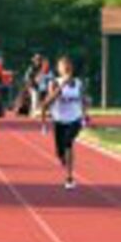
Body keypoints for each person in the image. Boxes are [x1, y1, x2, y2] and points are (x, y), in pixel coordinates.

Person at [41, 56, 89, 189]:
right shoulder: (54, 83)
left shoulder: (79, 83)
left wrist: (85, 116)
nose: (67, 68)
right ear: (59, 69)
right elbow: (46, 103)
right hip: (59, 120)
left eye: (69, 66)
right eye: (64, 66)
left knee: (68, 143)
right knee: (60, 153)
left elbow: (83, 99)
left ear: (72, 68)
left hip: (75, 119)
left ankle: (69, 177)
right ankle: (63, 159)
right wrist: (44, 124)